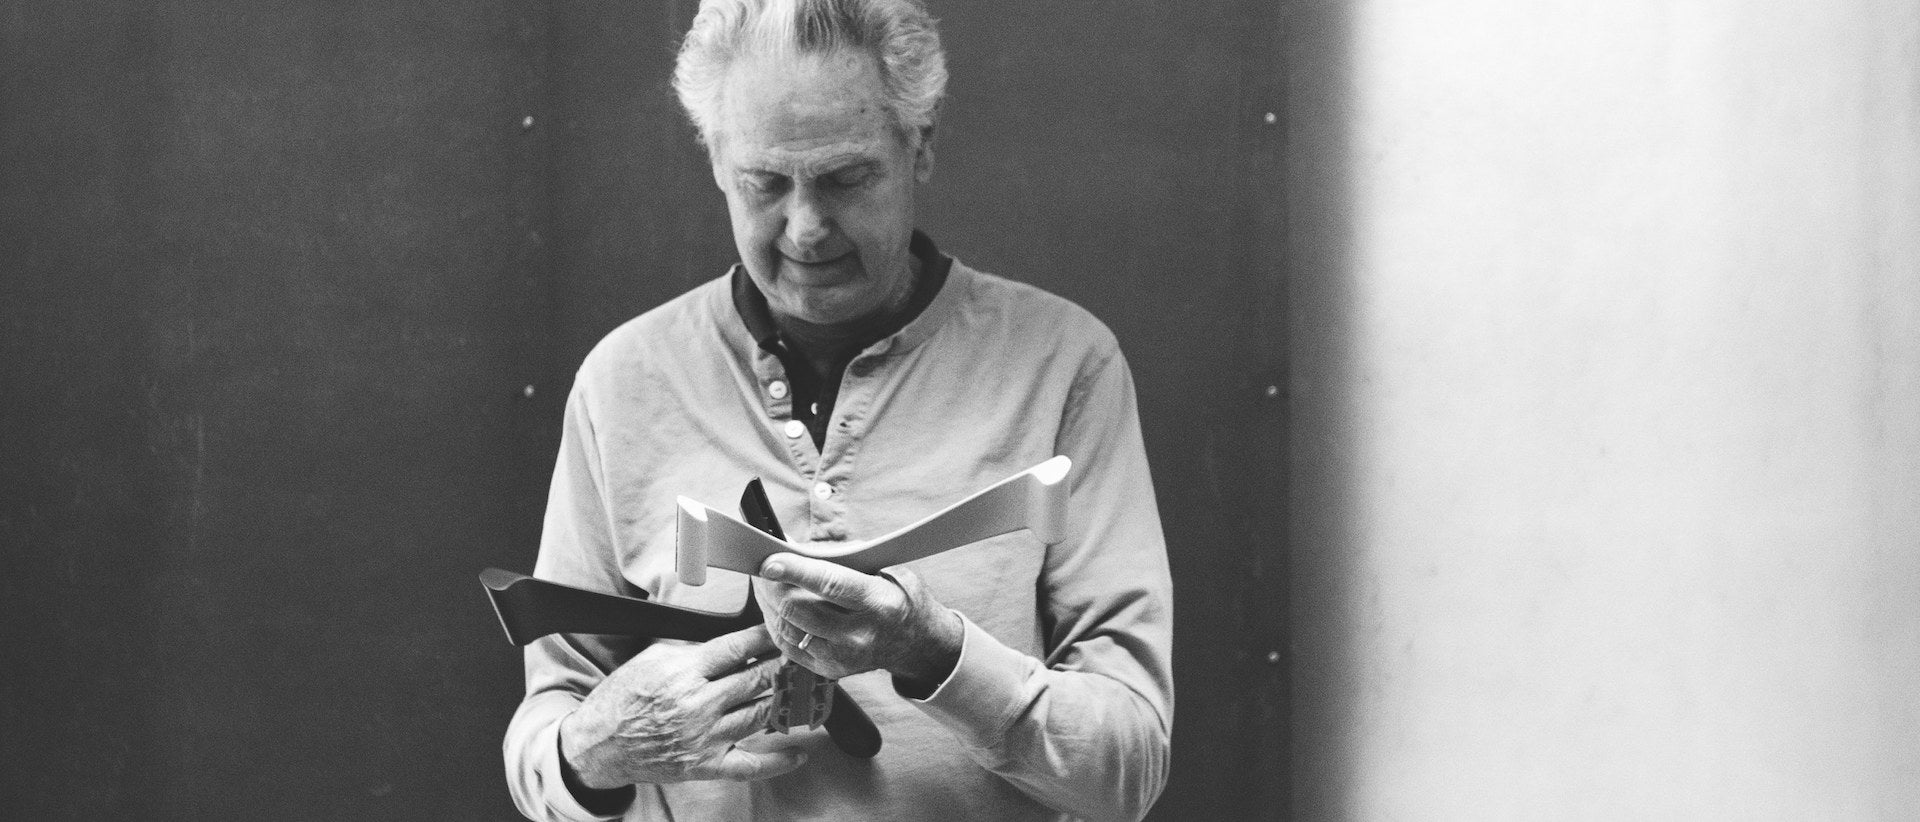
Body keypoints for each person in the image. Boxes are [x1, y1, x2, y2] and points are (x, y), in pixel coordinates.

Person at [502, 1, 1173, 819]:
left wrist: (935, 654)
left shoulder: (1065, 364)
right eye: (764, 183)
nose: (807, 228)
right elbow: (550, 729)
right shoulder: (624, 379)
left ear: (919, 145)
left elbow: (1128, 770)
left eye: (846, 179)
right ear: (715, 159)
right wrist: (599, 748)